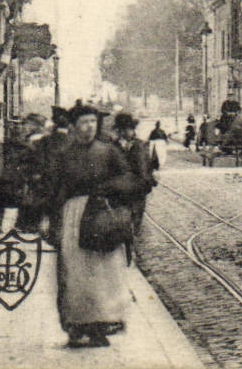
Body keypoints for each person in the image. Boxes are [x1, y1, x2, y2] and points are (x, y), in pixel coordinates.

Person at [52, 104, 143, 348]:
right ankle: (76, 325)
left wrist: (109, 190)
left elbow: (129, 178)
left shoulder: (109, 151)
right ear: (72, 127)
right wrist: (50, 220)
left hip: (102, 216)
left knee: (103, 271)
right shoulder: (64, 154)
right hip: (74, 215)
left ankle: (101, 325)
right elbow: (55, 188)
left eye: (93, 121)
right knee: (76, 272)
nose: (89, 127)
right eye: (84, 122)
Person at [112, 113, 156, 232]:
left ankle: (133, 238)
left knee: (136, 218)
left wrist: (148, 180)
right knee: (121, 222)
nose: (130, 132)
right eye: (126, 129)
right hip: (120, 190)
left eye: (131, 129)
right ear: (120, 130)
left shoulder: (140, 145)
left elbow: (149, 165)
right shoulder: (113, 147)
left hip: (138, 188)